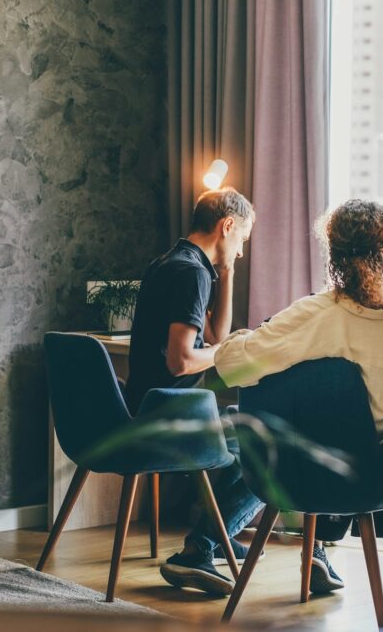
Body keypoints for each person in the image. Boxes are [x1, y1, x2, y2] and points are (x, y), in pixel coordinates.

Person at [214, 199, 383, 594]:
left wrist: (249, 338)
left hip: (291, 471)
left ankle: (318, 550)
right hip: (377, 480)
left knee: (325, 425)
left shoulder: (313, 313)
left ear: (333, 251)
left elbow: (232, 365)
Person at [123, 187, 262, 596]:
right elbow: (181, 361)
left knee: (243, 423)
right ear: (227, 225)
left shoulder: (172, 262)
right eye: (241, 242)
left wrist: (228, 274)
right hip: (166, 421)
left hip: (144, 409)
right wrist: (226, 354)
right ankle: (202, 545)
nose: (240, 252)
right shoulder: (192, 273)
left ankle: (216, 534)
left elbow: (215, 333)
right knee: (270, 448)